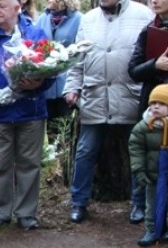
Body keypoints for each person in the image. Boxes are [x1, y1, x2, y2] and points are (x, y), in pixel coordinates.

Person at [64, 0, 151, 224]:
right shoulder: (88, 19)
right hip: (95, 97)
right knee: (85, 150)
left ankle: (139, 204)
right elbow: (77, 60)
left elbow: (151, 57)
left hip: (130, 97)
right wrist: (72, 87)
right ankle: (78, 202)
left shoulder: (144, 15)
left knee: (137, 153)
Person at [0, 0, 52, 230]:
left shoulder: (36, 33)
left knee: (29, 164)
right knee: (0, 164)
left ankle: (26, 214)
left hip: (31, 110)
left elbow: (52, 67)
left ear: (17, 7)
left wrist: (39, 82)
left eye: (2, 6)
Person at [128, 0, 168, 224]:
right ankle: (140, 205)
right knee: (147, 150)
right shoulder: (148, 31)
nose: (154, 1)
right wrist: (155, 65)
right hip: (155, 104)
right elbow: (133, 70)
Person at [128, 83, 168, 248]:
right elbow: (135, 147)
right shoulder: (144, 126)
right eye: (153, 104)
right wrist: (139, 169)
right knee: (151, 204)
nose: (155, 107)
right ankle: (152, 230)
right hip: (153, 175)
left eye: (161, 104)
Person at [35, 0, 81, 142]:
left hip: (67, 84)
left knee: (65, 128)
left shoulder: (78, 19)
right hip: (46, 83)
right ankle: (55, 160)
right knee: (51, 129)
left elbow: (81, 50)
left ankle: (65, 160)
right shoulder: (43, 19)